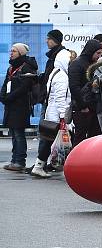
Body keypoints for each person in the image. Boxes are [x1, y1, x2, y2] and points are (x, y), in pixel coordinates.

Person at [30, 49, 71, 178]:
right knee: (55, 142)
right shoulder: (63, 77)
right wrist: (63, 116)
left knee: (49, 141)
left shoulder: (55, 72)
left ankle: (39, 165)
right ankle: (42, 166)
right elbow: (60, 98)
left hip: (51, 112)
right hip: (56, 114)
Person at [1, 43, 38, 171]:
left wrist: (9, 97)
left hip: (20, 106)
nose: (11, 53)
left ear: (21, 53)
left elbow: (24, 87)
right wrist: (3, 96)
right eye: (11, 51)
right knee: (14, 133)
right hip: (11, 105)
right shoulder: (11, 67)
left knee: (18, 133)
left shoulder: (26, 67)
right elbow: (6, 83)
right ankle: (14, 160)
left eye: (14, 51)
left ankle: (20, 161)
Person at [68, 39, 102, 145]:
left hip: (93, 107)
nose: (99, 56)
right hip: (82, 109)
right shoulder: (77, 64)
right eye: (98, 53)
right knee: (80, 137)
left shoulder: (94, 64)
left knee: (94, 138)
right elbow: (74, 88)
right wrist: (83, 106)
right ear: (91, 51)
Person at [40, 30, 69, 101]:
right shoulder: (52, 55)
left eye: (49, 38)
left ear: (55, 40)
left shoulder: (62, 55)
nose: (46, 41)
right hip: (49, 94)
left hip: (56, 95)